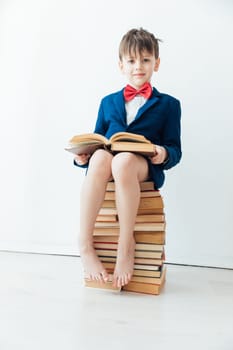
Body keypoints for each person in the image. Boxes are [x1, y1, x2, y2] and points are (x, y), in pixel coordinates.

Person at [74, 28, 182, 288]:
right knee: (101, 157)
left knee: (123, 160)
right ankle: (85, 244)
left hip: (141, 165)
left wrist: (163, 153)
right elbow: (98, 138)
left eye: (145, 60)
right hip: (108, 162)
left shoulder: (169, 104)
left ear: (156, 63)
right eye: (132, 61)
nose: (138, 66)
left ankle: (125, 246)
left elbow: (175, 149)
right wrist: (82, 157)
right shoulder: (107, 102)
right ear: (121, 64)